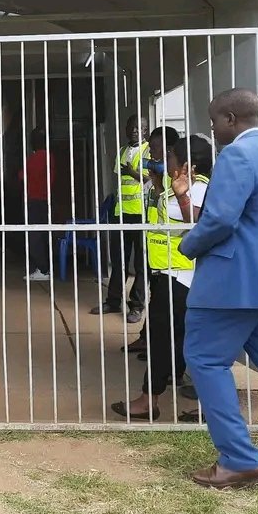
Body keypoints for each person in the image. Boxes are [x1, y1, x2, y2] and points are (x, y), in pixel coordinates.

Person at [179, 89, 258, 490]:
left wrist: (187, 245)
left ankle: (239, 459)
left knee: (204, 359)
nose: (213, 130)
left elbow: (220, 220)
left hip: (232, 285)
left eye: (215, 121)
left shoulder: (237, 156)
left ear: (231, 118)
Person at [112, 135, 210, 422]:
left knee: (162, 338)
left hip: (181, 275)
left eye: (171, 156)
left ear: (187, 164)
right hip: (169, 273)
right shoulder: (181, 185)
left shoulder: (198, 188)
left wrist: (181, 195)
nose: (166, 160)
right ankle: (168, 388)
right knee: (175, 337)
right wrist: (160, 187)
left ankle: (149, 400)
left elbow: (197, 223)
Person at [118, 125, 179, 349]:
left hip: (172, 255)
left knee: (166, 305)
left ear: (169, 149)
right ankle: (148, 339)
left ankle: (156, 345)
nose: (150, 151)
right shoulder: (158, 176)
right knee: (157, 300)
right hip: (155, 248)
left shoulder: (176, 178)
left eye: (154, 147)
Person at [95, 114, 149, 322]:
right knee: (119, 260)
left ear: (145, 130)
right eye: (132, 127)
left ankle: (136, 306)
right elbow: (119, 180)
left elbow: (151, 180)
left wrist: (133, 172)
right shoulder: (122, 151)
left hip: (142, 214)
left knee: (142, 263)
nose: (135, 130)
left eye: (139, 127)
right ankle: (113, 300)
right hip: (121, 213)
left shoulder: (149, 150)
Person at [20, 128, 55, 282]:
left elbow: (23, 175)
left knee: (34, 235)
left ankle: (43, 269)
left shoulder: (36, 157)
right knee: (42, 234)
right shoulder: (49, 156)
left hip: (35, 200)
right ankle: (44, 268)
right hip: (45, 200)